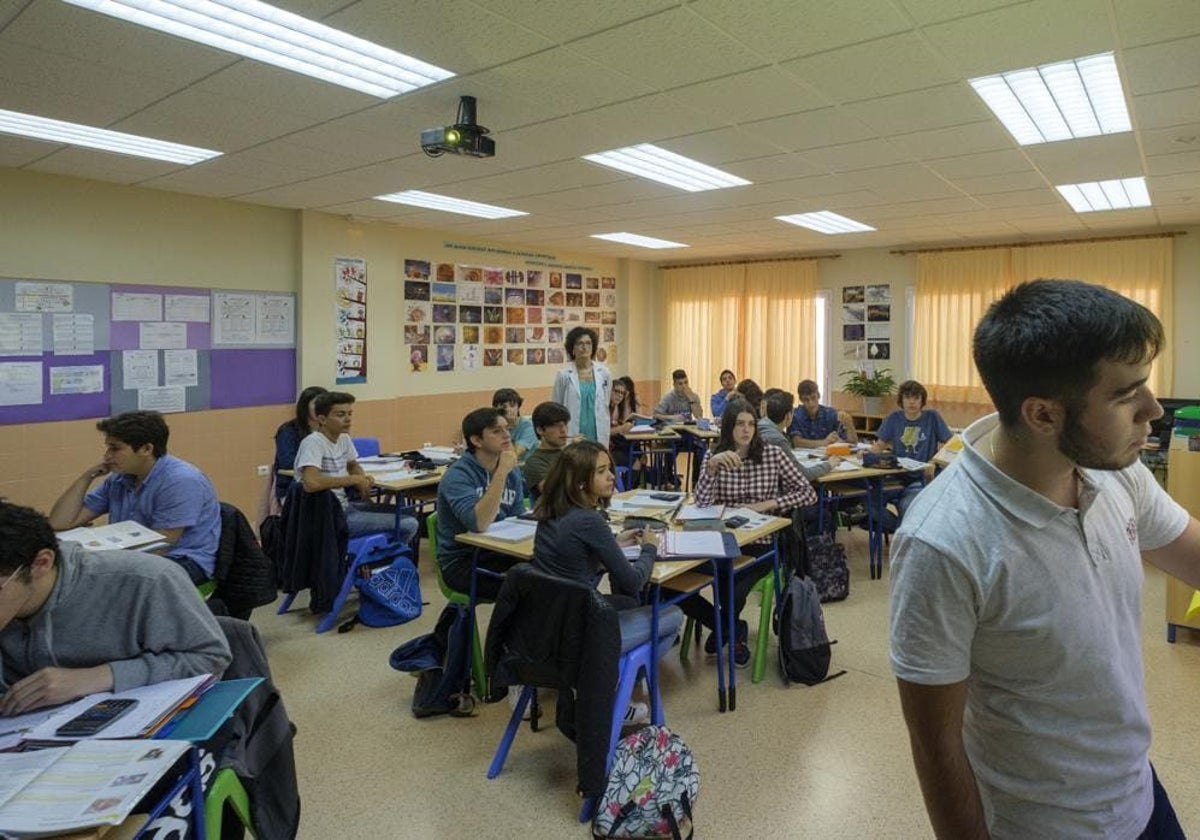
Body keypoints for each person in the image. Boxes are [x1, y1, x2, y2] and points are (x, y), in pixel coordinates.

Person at [890, 279, 1199, 839]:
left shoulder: (1116, 471)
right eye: (1127, 394)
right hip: (1042, 822)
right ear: (1042, 415)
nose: (1153, 410)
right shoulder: (944, 542)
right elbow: (936, 746)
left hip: (1137, 794)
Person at [0, 499, 230, 715]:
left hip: (140, 727)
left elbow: (210, 658)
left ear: (41, 563)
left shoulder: (146, 580)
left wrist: (100, 676)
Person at [680, 401, 817, 667]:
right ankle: (732, 629)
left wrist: (769, 504)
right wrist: (710, 470)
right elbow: (702, 504)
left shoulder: (772, 454)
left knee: (731, 583)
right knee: (679, 582)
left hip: (760, 543)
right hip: (722, 541)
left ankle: (726, 629)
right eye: (740, 424)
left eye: (751, 424)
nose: (746, 430)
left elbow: (807, 493)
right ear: (729, 427)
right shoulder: (714, 456)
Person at [48, 410, 221, 583]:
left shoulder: (180, 481)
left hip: (182, 561)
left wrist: (104, 561)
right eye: (108, 448)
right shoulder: (120, 477)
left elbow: (161, 545)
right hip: (135, 555)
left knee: (93, 582)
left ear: (146, 449)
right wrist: (87, 476)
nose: (107, 456)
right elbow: (60, 522)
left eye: (115, 448)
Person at [294, 392, 418, 542]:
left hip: (345, 506)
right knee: (408, 523)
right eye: (340, 415)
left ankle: (383, 552)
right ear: (322, 419)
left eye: (349, 414)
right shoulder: (313, 443)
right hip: (328, 517)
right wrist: (352, 480)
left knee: (410, 512)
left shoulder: (343, 438)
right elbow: (311, 483)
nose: (348, 419)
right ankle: (381, 559)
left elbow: (352, 464)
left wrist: (361, 480)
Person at [435, 407, 528, 600]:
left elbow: (519, 518)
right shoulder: (458, 475)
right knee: (526, 591)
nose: (507, 435)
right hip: (462, 561)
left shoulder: (512, 470)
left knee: (553, 576)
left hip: (499, 551)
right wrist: (501, 473)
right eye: (497, 431)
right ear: (476, 440)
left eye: (506, 429)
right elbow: (479, 523)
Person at [873, 380, 953, 524]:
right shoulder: (893, 418)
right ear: (901, 400)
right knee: (868, 503)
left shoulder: (932, 417)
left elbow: (951, 445)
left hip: (920, 479)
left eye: (916, 398)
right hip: (895, 476)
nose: (911, 402)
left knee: (908, 506)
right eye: (907, 398)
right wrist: (864, 455)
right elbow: (879, 445)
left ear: (922, 401)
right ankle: (898, 529)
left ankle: (902, 533)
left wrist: (934, 462)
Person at [760, 389, 840, 482]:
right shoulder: (777, 439)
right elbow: (803, 475)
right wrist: (829, 464)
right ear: (788, 416)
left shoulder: (761, 426)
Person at [551, 326, 613, 445]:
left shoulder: (604, 373)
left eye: (588, 343)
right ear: (572, 348)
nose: (584, 347)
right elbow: (556, 408)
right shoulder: (564, 375)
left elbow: (606, 402)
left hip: (598, 432)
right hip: (574, 433)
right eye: (580, 343)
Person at [273, 385, 327, 504]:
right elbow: (287, 462)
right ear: (305, 407)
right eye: (316, 404)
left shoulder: (328, 430)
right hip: (293, 489)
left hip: (324, 484)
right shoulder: (289, 430)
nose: (320, 408)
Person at [522, 401, 572, 496]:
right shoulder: (535, 461)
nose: (563, 430)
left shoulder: (570, 453)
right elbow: (553, 493)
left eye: (565, 424)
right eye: (556, 425)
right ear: (540, 430)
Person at [788, 379, 858, 447]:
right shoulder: (795, 415)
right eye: (806, 400)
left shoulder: (831, 414)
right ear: (801, 399)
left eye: (813, 398)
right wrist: (824, 442)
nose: (811, 404)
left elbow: (853, 442)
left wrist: (849, 424)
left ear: (818, 395)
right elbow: (796, 442)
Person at [493, 388, 538, 463]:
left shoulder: (529, 427)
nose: (509, 409)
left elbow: (513, 455)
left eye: (512, 405)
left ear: (518, 407)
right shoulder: (493, 427)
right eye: (504, 407)